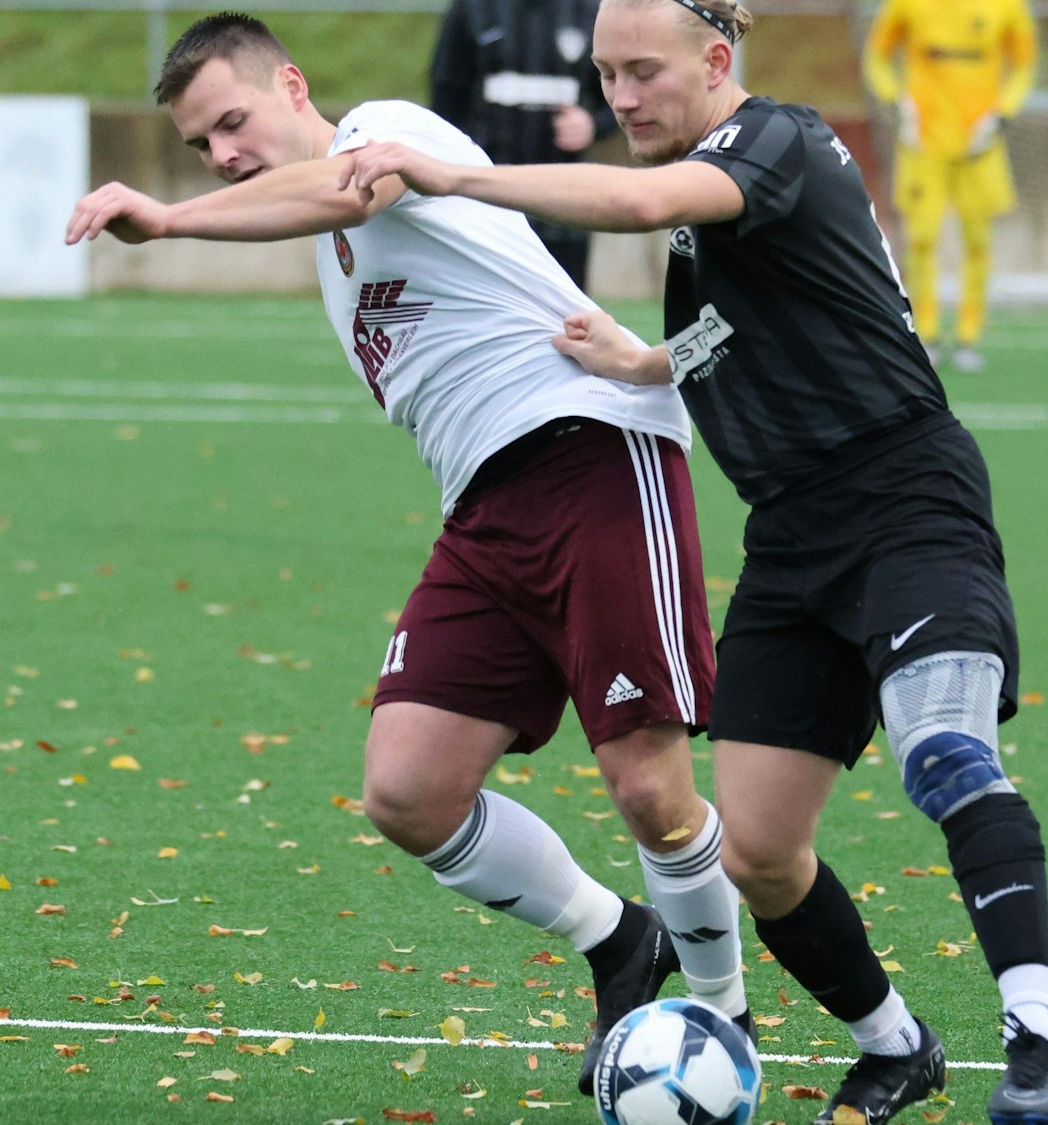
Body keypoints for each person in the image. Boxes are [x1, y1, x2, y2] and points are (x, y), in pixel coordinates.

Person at [339, 0, 1048, 1121]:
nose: (619, 98)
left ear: (715, 61)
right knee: (759, 851)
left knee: (944, 758)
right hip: (789, 542)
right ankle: (894, 1045)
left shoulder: (770, 139)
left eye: (640, 73)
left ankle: (1035, 1049)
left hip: (904, 501)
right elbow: (760, 316)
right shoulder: (712, 215)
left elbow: (636, 201)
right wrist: (643, 361)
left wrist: (449, 173)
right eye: (605, 75)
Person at [64, 13, 748, 1096]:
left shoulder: (384, 132)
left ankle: (721, 1020)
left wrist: (171, 215)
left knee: (647, 791)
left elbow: (344, 190)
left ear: (293, 87)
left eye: (233, 122)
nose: (225, 154)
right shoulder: (331, 258)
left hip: (592, 458)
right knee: (408, 790)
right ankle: (622, 944)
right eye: (202, 147)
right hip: (484, 512)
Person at [862, 0, 1036, 372]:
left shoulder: (1007, 7)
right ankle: (925, 333)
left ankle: (968, 334)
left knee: (978, 240)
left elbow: (1024, 64)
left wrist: (1003, 113)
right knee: (922, 239)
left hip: (980, 144)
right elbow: (877, 57)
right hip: (923, 143)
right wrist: (896, 103)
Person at [430, 0, 618, 288]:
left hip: (564, 202)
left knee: (565, 314)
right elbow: (445, 94)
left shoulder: (589, 11)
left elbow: (622, 94)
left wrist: (592, 124)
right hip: (487, 199)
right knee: (488, 304)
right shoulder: (473, 8)